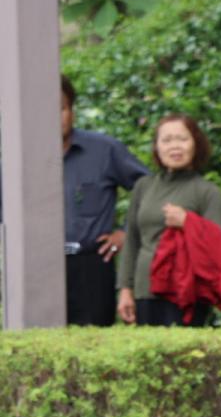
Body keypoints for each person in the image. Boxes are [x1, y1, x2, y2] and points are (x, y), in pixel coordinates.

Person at [0, 76, 149, 325]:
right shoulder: (15, 160)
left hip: (91, 265)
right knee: (38, 346)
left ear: (72, 111)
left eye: (60, 108)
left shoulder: (104, 150)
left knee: (93, 344)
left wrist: (126, 234)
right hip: (35, 267)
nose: (54, 117)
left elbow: (150, 189)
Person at [117, 113, 221, 326]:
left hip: (186, 293)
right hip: (144, 290)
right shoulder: (143, 187)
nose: (174, 146)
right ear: (157, 147)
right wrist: (125, 290)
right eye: (166, 140)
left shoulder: (207, 192)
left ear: (196, 144)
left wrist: (188, 222)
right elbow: (132, 241)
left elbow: (218, 246)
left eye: (182, 139)